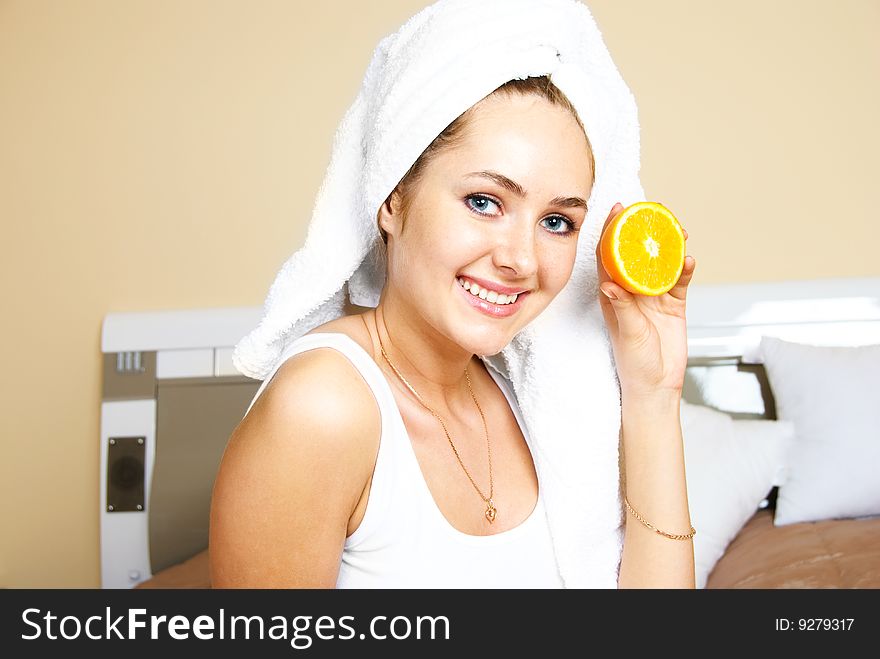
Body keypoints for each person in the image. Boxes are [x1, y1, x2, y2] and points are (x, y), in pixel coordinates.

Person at [209, 0, 697, 589]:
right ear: (393, 197)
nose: (520, 259)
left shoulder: (533, 402)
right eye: (484, 202)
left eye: (557, 222)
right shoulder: (322, 409)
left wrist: (654, 396)